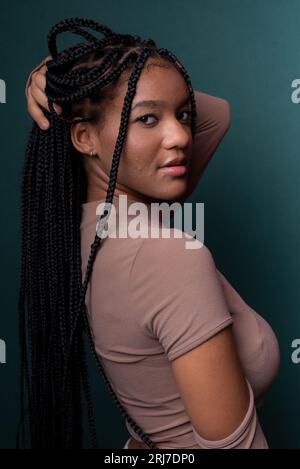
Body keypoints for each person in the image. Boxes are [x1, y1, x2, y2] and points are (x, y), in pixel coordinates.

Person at [20, 17, 280, 450]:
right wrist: (80, 83)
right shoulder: (166, 256)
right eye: (147, 119)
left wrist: (72, 82)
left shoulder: (81, 231)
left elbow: (216, 116)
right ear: (84, 137)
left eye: (180, 115)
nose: (180, 135)